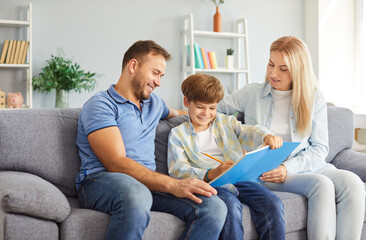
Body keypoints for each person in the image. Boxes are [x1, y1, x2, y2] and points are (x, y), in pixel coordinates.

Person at [75, 40, 228, 240]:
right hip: (100, 180)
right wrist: (173, 184)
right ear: (133, 66)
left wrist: (209, 117)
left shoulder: (154, 103)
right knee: (137, 194)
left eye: (161, 76)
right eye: (155, 73)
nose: (159, 82)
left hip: (146, 184)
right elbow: (115, 163)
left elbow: (178, 112)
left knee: (213, 206)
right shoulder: (101, 105)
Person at [218, 36, 366, 239]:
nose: (273, 73)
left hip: (302, 166)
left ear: (298, 71)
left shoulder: (313, 97)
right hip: (267, 172)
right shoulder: (252, 93)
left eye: (283, 68)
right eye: (271, 64)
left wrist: (288, 168)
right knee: (321, 185)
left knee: (353, 182)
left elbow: (320, 148)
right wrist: (175, 110)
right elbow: (212, 107)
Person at [167, 73, 285, 240]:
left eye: (212, 108)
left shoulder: (224, 122)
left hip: (239, 178)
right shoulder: (178, 134)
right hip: (213, 184)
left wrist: (266, 136)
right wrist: (210, 173)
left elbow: (248, 131)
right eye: (200, 107)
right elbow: (177, 169)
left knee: (273, 203)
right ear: (187, 102)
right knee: (231, 207)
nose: (206, 113)